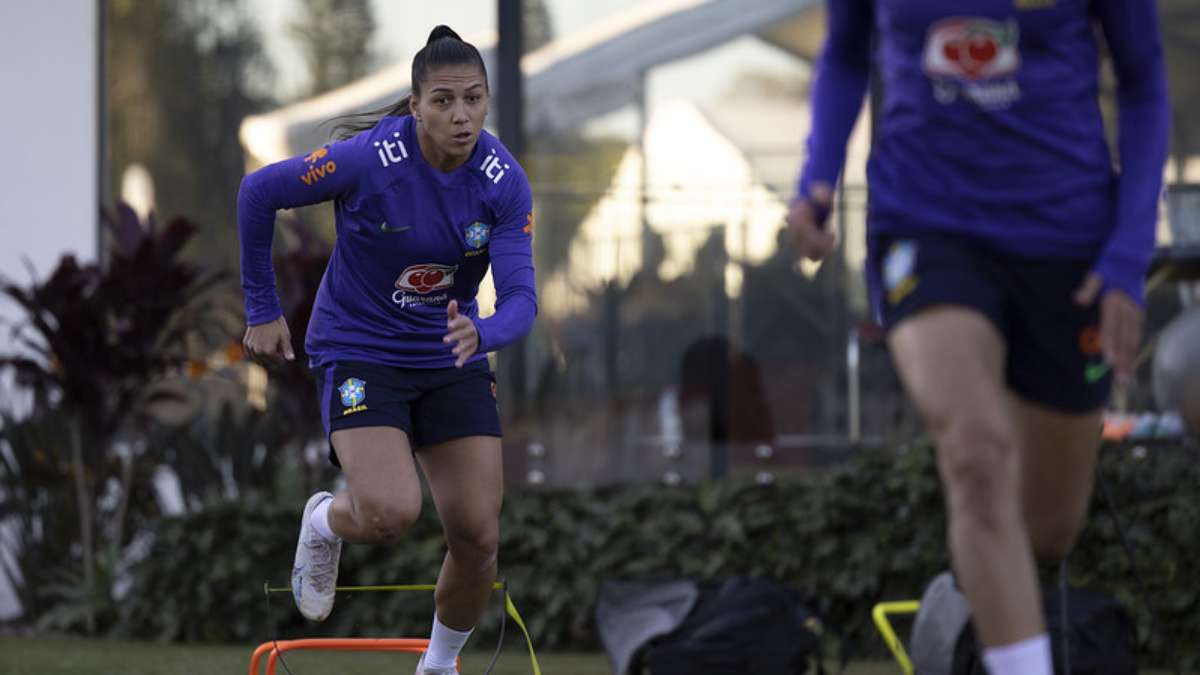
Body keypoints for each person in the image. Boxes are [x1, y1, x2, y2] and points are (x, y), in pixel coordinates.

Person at [788, 3, 1168, 674]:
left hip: (1066, 245)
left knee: (1050, 526)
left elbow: (1143, 83)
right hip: (924, 223)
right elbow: (845, 54)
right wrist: (818, 175)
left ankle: (985, 597)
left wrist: (1128, 258)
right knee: (975, 453)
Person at [237, 25, 536, 675]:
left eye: (474, 99)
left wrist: (483, 332)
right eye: (443, 100)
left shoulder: (502, 181)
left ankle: (438, 665)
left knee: (480, 535)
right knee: (390, 512)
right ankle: (325, 520)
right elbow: (259, 192)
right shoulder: (369, 160)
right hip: (360, 350)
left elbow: (521, 299)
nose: (461, 115)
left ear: (487, 101)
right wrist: (262, 309)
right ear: (415, 103)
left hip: (450, 355)